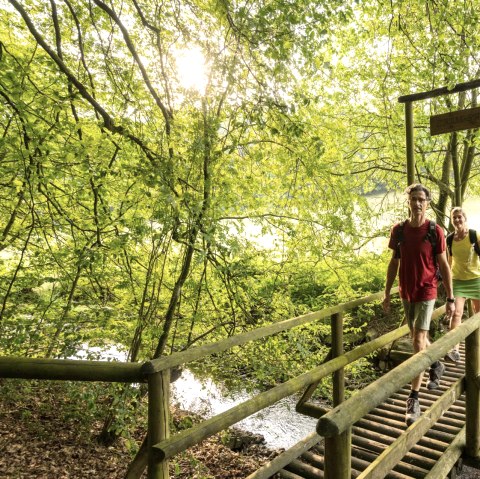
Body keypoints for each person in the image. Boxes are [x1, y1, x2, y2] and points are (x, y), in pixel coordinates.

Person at [383, 183, 455, 426]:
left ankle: (414, 399)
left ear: (427, 202)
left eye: (421, 199)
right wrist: (386, 293)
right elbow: (393, 263)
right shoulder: (399, 231)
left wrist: (452, 298)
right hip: (406, 291)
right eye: (413, 199)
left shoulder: (435, 231)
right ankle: (435, 362)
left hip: (427, 290)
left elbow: (444, 266)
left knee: (416, 340)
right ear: (408, 202)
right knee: (417, 336)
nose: (417, 203)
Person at [445, 206, 480, 362]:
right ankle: (454, 349)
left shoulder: (474, 235)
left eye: (460, 217)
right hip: (458, 281)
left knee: (478, 315)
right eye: (454, 218)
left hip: (476, 280)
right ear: (452, 221)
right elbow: (449, 261)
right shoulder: (449, 239)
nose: (457, 220)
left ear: (465, 218)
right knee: (456, 313)